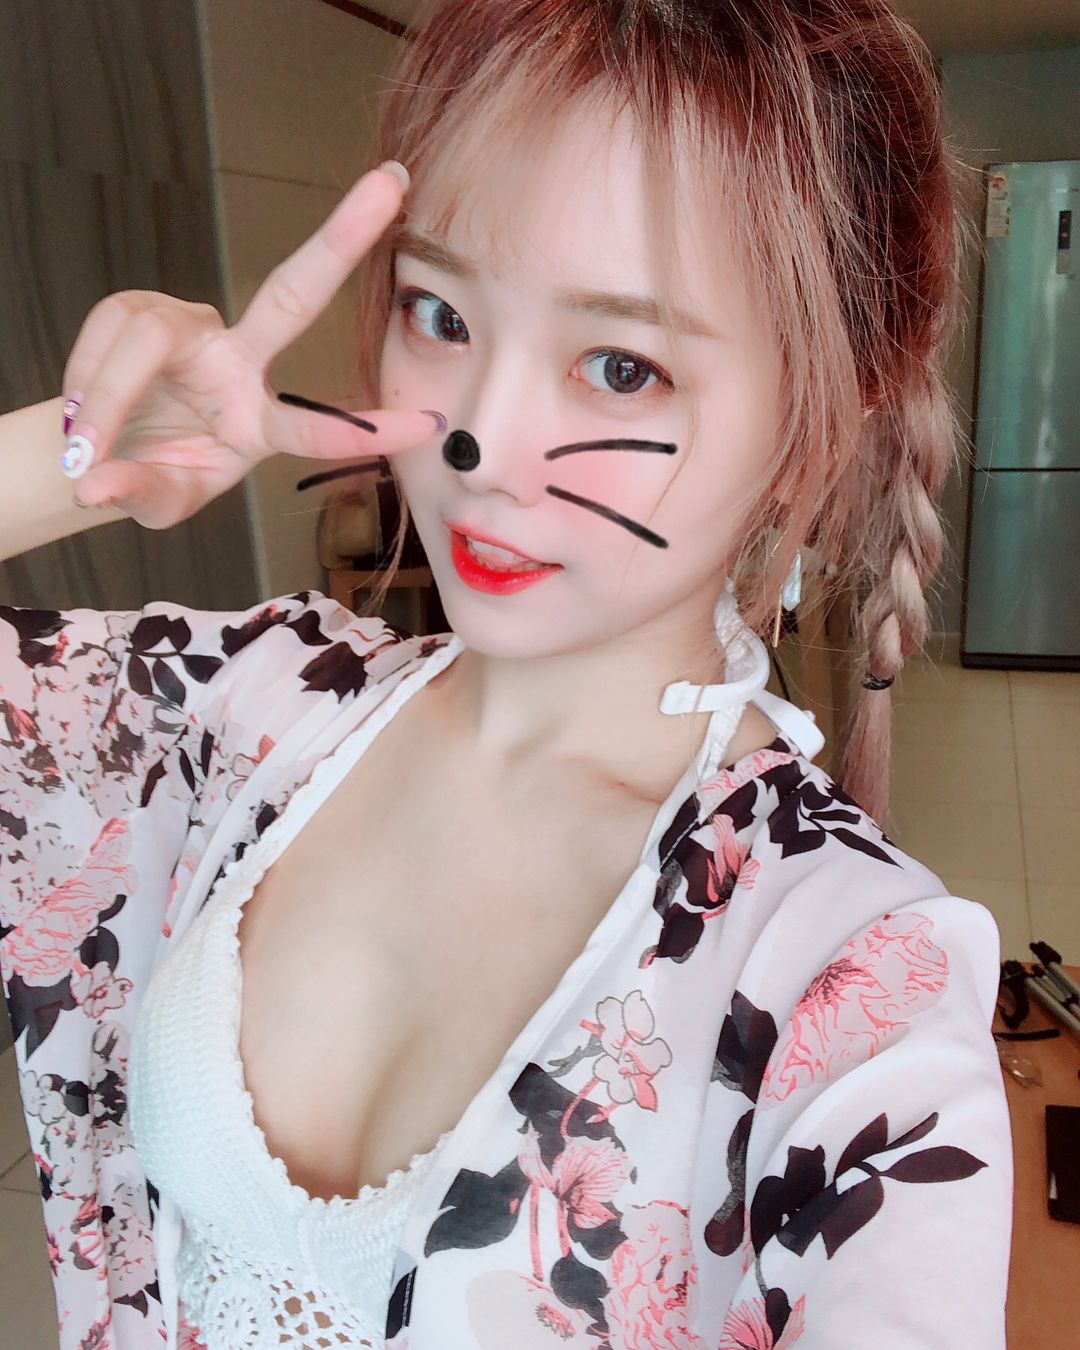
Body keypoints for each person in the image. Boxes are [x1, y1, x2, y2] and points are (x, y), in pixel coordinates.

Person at [0, 1, 1013, 1346]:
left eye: (620, 365)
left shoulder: (849, 980)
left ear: (813, 429)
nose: (479, 439)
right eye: (440, 311)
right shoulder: (246, 708)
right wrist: (72, 460)